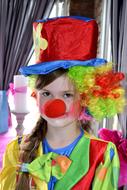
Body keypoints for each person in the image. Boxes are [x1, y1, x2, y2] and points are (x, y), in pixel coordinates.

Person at [0, 16, 126, 190]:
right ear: (35, 95)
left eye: (67, 94)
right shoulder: (15, 149)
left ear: (86, 97)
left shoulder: (102, 154)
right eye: (46, 93)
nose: (55, 104)